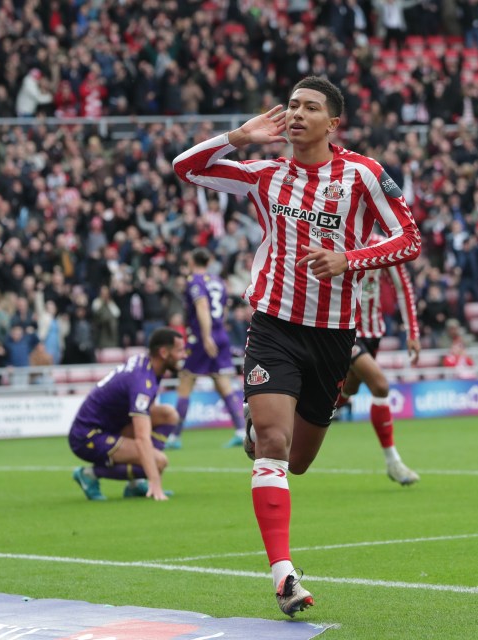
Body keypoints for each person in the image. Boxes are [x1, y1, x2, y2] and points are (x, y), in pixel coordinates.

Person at [173, 76, 420, 617]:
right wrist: (239, 137)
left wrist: (349, 259)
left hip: (334, 336)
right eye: (292, 106)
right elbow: (185, 168)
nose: (297, 114)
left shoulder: (362, 174)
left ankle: (261, 430)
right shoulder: (265, 174)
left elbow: (410, 238)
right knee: (274, 446)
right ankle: (283, 575)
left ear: (334, 123)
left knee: (301, 460)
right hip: (274, 326)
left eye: (311, 107)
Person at [333, 232, 421, 485]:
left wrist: (412, 332)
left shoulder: (382, 245)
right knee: (380, 385)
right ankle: (393, 462)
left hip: (373, 334)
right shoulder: (338, 238)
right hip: (346, 330)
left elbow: (403, 288)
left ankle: (304, 421)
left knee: (346, 391)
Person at [69, 327, 185, 502]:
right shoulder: (142, 382)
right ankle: (88, 475)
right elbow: (142, 437)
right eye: (179, 351)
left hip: (112, 426)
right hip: (88, 436)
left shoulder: (148, 366)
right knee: (159, 462)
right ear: (163, 352)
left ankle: (136, 483)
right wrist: (155, 478)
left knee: (169, 415)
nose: (184, 355)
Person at [166, 248, 246, 450]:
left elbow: (202, 307)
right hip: (221, 334)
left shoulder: (195, 281)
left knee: (185, 380)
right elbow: (224, 307)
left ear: (192, 262)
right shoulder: (218, 281)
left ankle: (174, 437)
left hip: (203, 336)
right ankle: (241, 430)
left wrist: (206, 335)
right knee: (222, 383)